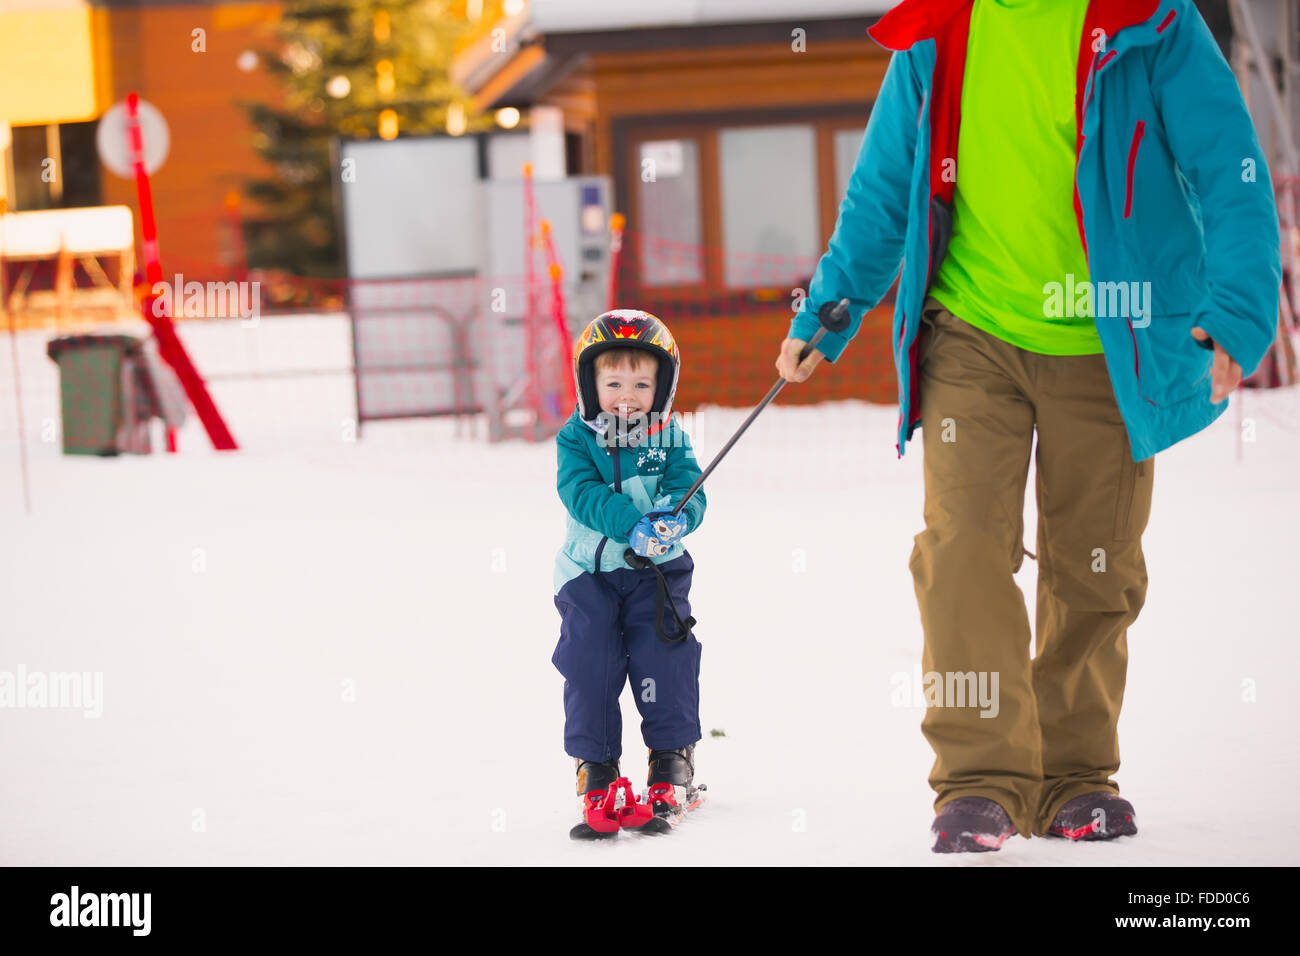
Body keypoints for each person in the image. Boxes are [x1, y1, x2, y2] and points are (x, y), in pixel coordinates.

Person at [775, 0, 1280, 852]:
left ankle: (1076, 775)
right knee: (963, 548)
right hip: (973, 333)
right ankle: (979, 779)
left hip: (1111, 338)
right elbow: (885, 181)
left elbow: (1230, 163)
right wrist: (829, 308)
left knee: (1096, 560)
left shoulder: (1149, 22)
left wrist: (1235, 310)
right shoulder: (943, 27)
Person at [552, 309, 708, 839]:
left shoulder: (671, 437)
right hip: (588, 575)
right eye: (613, 381)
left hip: (656, 574)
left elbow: (690, 487)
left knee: (664, 657)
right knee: (589, 662)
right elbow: (581, 493)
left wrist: (674, 516)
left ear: (662, 385)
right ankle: (596, 768)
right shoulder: (575, 438)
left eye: (641, 383)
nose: (627, 395)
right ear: (588, 382)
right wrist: (632, 525)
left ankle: (671, 761)